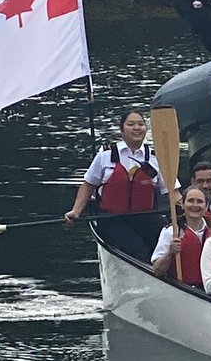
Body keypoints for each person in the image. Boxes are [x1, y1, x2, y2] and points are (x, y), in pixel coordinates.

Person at [64, 108, 172, 262]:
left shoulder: (156, 158)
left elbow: (172, 191)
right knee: (138, 252)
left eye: (141, 124)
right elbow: (89, 184)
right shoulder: (106, 155)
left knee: (167, 243)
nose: (136, 128)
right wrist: (76, 211)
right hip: (113, 219)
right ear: (121, 130)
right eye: (131, 124)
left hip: (145, 218)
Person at [151, 185, 210, 285]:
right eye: (191, 200)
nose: (195, 205)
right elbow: (157, 271)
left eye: (199, 201)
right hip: (182, 290)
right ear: (182, 204)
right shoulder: (171, 231)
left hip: (210, 293)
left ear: (206, 206)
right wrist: (170, 253)